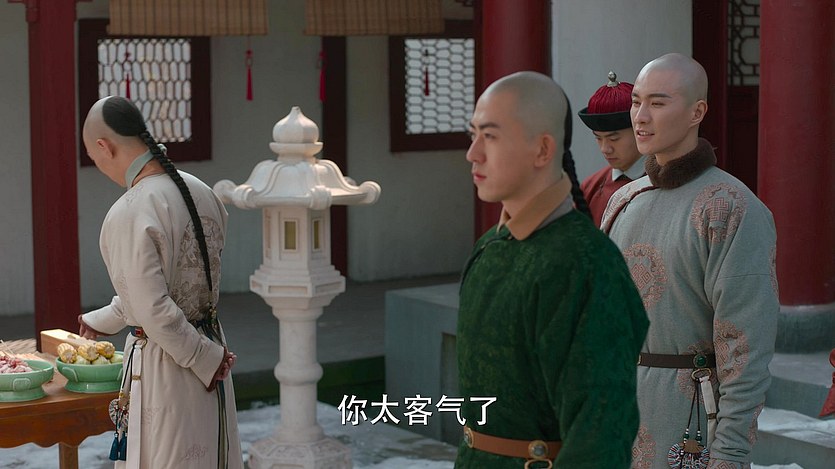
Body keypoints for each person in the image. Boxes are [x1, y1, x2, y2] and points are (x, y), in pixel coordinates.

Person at [456, 71, 648, 468]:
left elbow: (600, 432)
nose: (473, 153)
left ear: (543, 149)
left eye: (490, 136)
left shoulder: (585, 262)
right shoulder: (490, 247)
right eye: (473, 135)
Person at [601, 53, 779, 468]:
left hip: (689, 419)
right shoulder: (624, 199)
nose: (641, 117)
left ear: (697, 112)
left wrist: (730, 451)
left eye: (658, 103)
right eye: (636, 102)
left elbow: (744, 345)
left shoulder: (730, 207)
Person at [78, 96, 243, 469]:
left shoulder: (131, 210)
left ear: (104, 147)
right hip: (212, 345)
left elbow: (153, 307)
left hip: (169, 363)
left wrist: (201, 359)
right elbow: (160, 289)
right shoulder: (202, 191)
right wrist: (100, 320)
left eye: (93, 157)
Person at [577, 71, 646, 227]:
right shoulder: (590, 187)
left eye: (614, 139)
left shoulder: (664, 180)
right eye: (598, 138)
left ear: (639, 130)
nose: (605, 149)